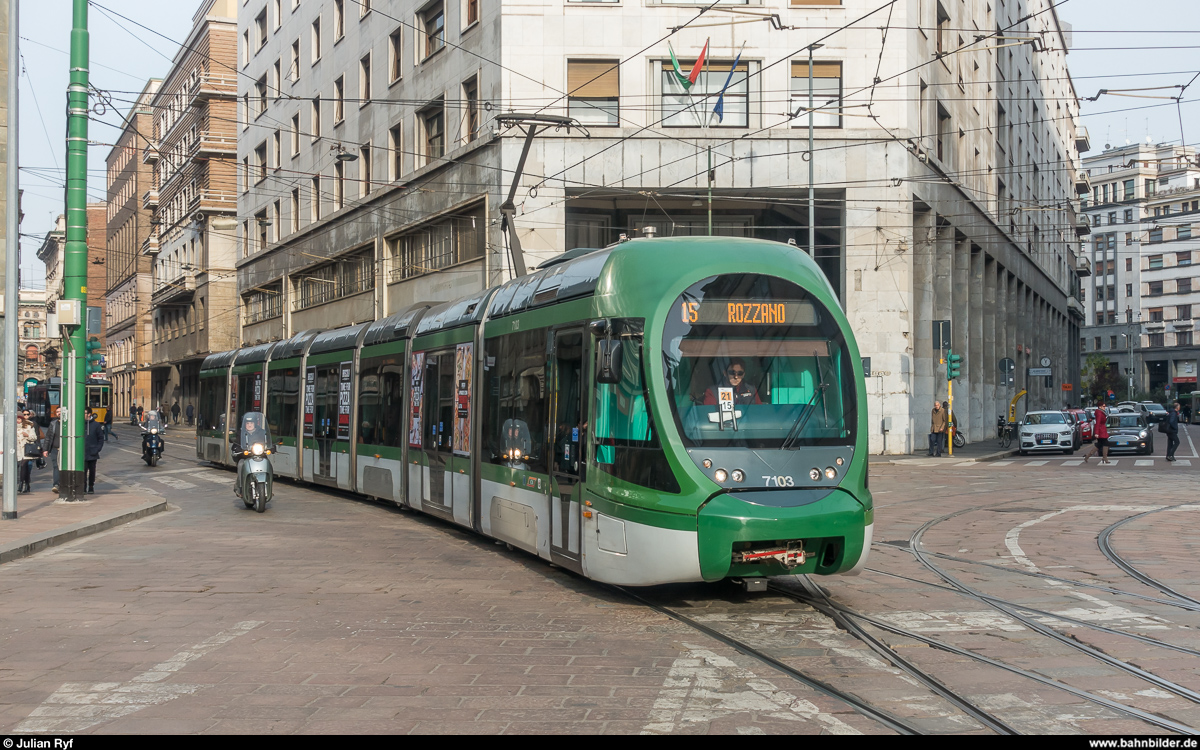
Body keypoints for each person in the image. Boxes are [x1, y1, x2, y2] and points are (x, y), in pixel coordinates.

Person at [16, 412, 40, 494]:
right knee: (24, 468)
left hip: (26, 450)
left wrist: (27, 435)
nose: (17, 421)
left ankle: (20, 484)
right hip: (18, 450)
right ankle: (27, 485)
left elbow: (34, 437)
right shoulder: (13, 427)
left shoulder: (28, 426)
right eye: (16, 419)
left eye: (19, 419)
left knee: (23, 465)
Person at [84, 408, 105, 494]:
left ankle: (91, 486)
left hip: (93, 452)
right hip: (83, 452)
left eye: (84, 413)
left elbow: (101, 438)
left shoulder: (96, 425)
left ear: (89, 414)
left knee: (92, 471)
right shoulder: (80, 424)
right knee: (83, 471)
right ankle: (83, 487)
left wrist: (97, 449)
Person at [44, 413, 61, 493]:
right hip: (55, 449)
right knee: (55, 466)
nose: (59, 413)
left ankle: (62, 483)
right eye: (57, 411)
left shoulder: (69, 423)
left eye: (60, 411)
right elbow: (48, 437)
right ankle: (56, 484)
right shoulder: (53, 424)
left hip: (65, 449)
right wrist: (45, 449)